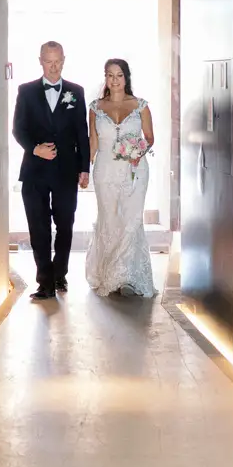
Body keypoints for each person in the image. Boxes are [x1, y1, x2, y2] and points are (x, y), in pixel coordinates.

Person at [11, 41, 90, 300]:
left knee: (65, 224)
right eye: (49, 61)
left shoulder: (76, 92)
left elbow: (82, 132)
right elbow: (18, 129)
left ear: (64, 60)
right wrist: (35, 149)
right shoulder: (26, 91)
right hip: (35, 171)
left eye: (58, 61)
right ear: (40, 61)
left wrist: (84, 168)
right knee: (39, 227)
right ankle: (44, 282)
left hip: (67, 171)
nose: (54, 67)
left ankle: (60, 274)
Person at [83, 58, 157, 298]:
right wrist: (84, 169)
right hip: (104, 172)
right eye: (110, 75)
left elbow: (149, 138)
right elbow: (92, 142)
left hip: (135, 171)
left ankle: (125, 276)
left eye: (119, 75)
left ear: (126, 78)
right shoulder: (95, 108)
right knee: (110, 219)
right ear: (105, 78)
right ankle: (110, 274)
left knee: (131, 220)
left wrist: (138, 152)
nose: (114, 80)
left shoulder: (141, 106)